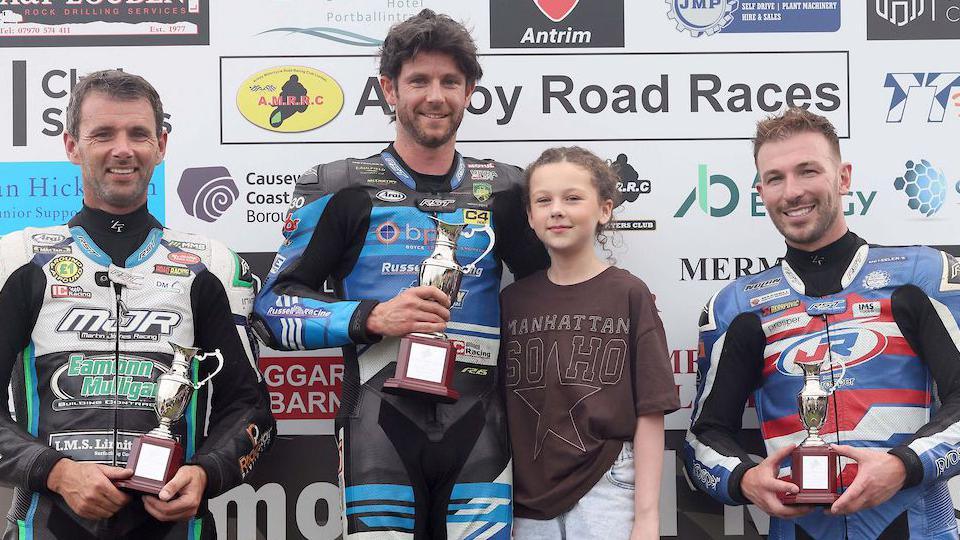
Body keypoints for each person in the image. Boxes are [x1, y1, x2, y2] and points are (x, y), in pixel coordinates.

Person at [252, 9, 548, 540]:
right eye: (418, 81)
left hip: (483, 427)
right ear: (389, 89)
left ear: (470, 90)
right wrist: (372, 317)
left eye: (449, 82)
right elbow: (271, 310)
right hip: (378, 428)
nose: (434, 96)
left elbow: (557, 294)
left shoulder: (506, 190)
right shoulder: (342, 189)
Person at [0, 69, 276, 539]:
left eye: (138, 134)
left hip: (173, 524)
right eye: (102, 134)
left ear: (161, 145)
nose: (122, 149)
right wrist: (54, 471)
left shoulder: (207, 265)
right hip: (47, 523)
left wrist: (207, 472)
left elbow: (250, 408)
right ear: (71, 146)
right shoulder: (21, 259)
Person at [683, 107, 960, 539]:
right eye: (775, 178)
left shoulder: (922, 277)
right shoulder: (736, 307)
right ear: (761, 191)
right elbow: (703, 438)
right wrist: (745, 480)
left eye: (807, 171)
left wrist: (902, 466)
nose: (791, 191)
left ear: (843, 178)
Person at [499, 147, 679, 540]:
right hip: (527, 501)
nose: (557, 210)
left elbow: (651, 412)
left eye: (573, 198)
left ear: (605, 210)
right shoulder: (511, 302)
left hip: (609, 488)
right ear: (530, 217)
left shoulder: (629, 294)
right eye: (543, 200)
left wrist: (647, 518)